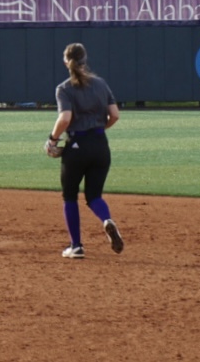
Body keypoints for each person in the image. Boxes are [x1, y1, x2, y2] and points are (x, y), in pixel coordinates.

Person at [45, 43, 124, 259]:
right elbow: (115, 115)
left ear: (66, 62)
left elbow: (65, 118)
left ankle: (76, 246)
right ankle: (106, 220)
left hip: (77, 147)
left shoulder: (64, 88)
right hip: (100, 145)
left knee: (70, 196)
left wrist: (52, 139)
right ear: (85, 60)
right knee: (94, 196)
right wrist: (99, 129)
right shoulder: (100, 84)